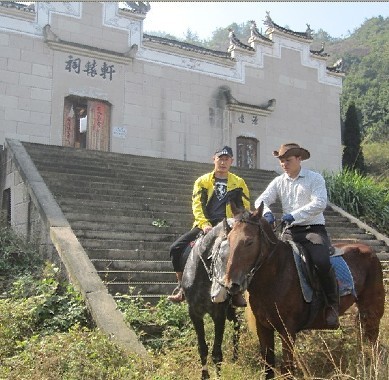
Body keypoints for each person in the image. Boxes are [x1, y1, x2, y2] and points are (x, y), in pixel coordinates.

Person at [254, 143, 339, 327]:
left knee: (321, 261)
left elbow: (320, 203)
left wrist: (294, 215)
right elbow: (261, 199)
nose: (284, 164)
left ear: (299, 159)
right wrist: (267, 212)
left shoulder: (314, 178)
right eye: (281, 161)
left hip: (312, 230)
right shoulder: (278, 181)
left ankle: (331, 304)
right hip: (289, 232)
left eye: (288, 160)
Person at [168, 145, 250, 306]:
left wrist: (237, 224)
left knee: (240, 251)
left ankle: (237, 291)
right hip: (206, 224)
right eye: (220, 158)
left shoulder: (239, 182)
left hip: (229, 225)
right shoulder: (202, 181)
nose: (223, 162)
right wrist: (204, 224)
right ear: (214, 159)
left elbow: (244, 206)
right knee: (176, 249)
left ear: (231, 161)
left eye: (227, 159)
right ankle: (182, 287)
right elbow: (197, 205)